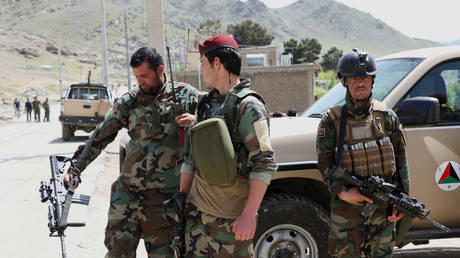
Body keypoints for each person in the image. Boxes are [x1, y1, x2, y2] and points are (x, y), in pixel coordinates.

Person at [63, 47, 200, 257]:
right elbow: (100, 136)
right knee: (117, 253)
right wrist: (76, 168)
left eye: (144, 75)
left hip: (165, 200)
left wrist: (196, 121)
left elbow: (216, 124)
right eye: (136, 76)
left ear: (160, 69)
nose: (140, 81)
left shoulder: (186, 96)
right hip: (128, 195)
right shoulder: (129, 102)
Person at [180, 35, 277, 257]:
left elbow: (264, 163)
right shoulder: (206, 104)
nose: (201, 70)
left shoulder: (250, 107)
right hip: (197, 217)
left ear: (217, 63)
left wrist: (249, 215)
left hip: (230, 222)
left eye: (203, 63)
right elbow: (190, 158)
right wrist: (182, 200)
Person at [316, 48, 409, 258]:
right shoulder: (332, 120)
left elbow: (402, 162)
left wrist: (402, 199)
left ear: (372, 80)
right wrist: (342, 192)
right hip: (346, 211)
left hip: (383, 210)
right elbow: (325, 164)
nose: (361, 82)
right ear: (343, 81)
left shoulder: (387, 117)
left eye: (366, 77)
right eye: (355, 78)